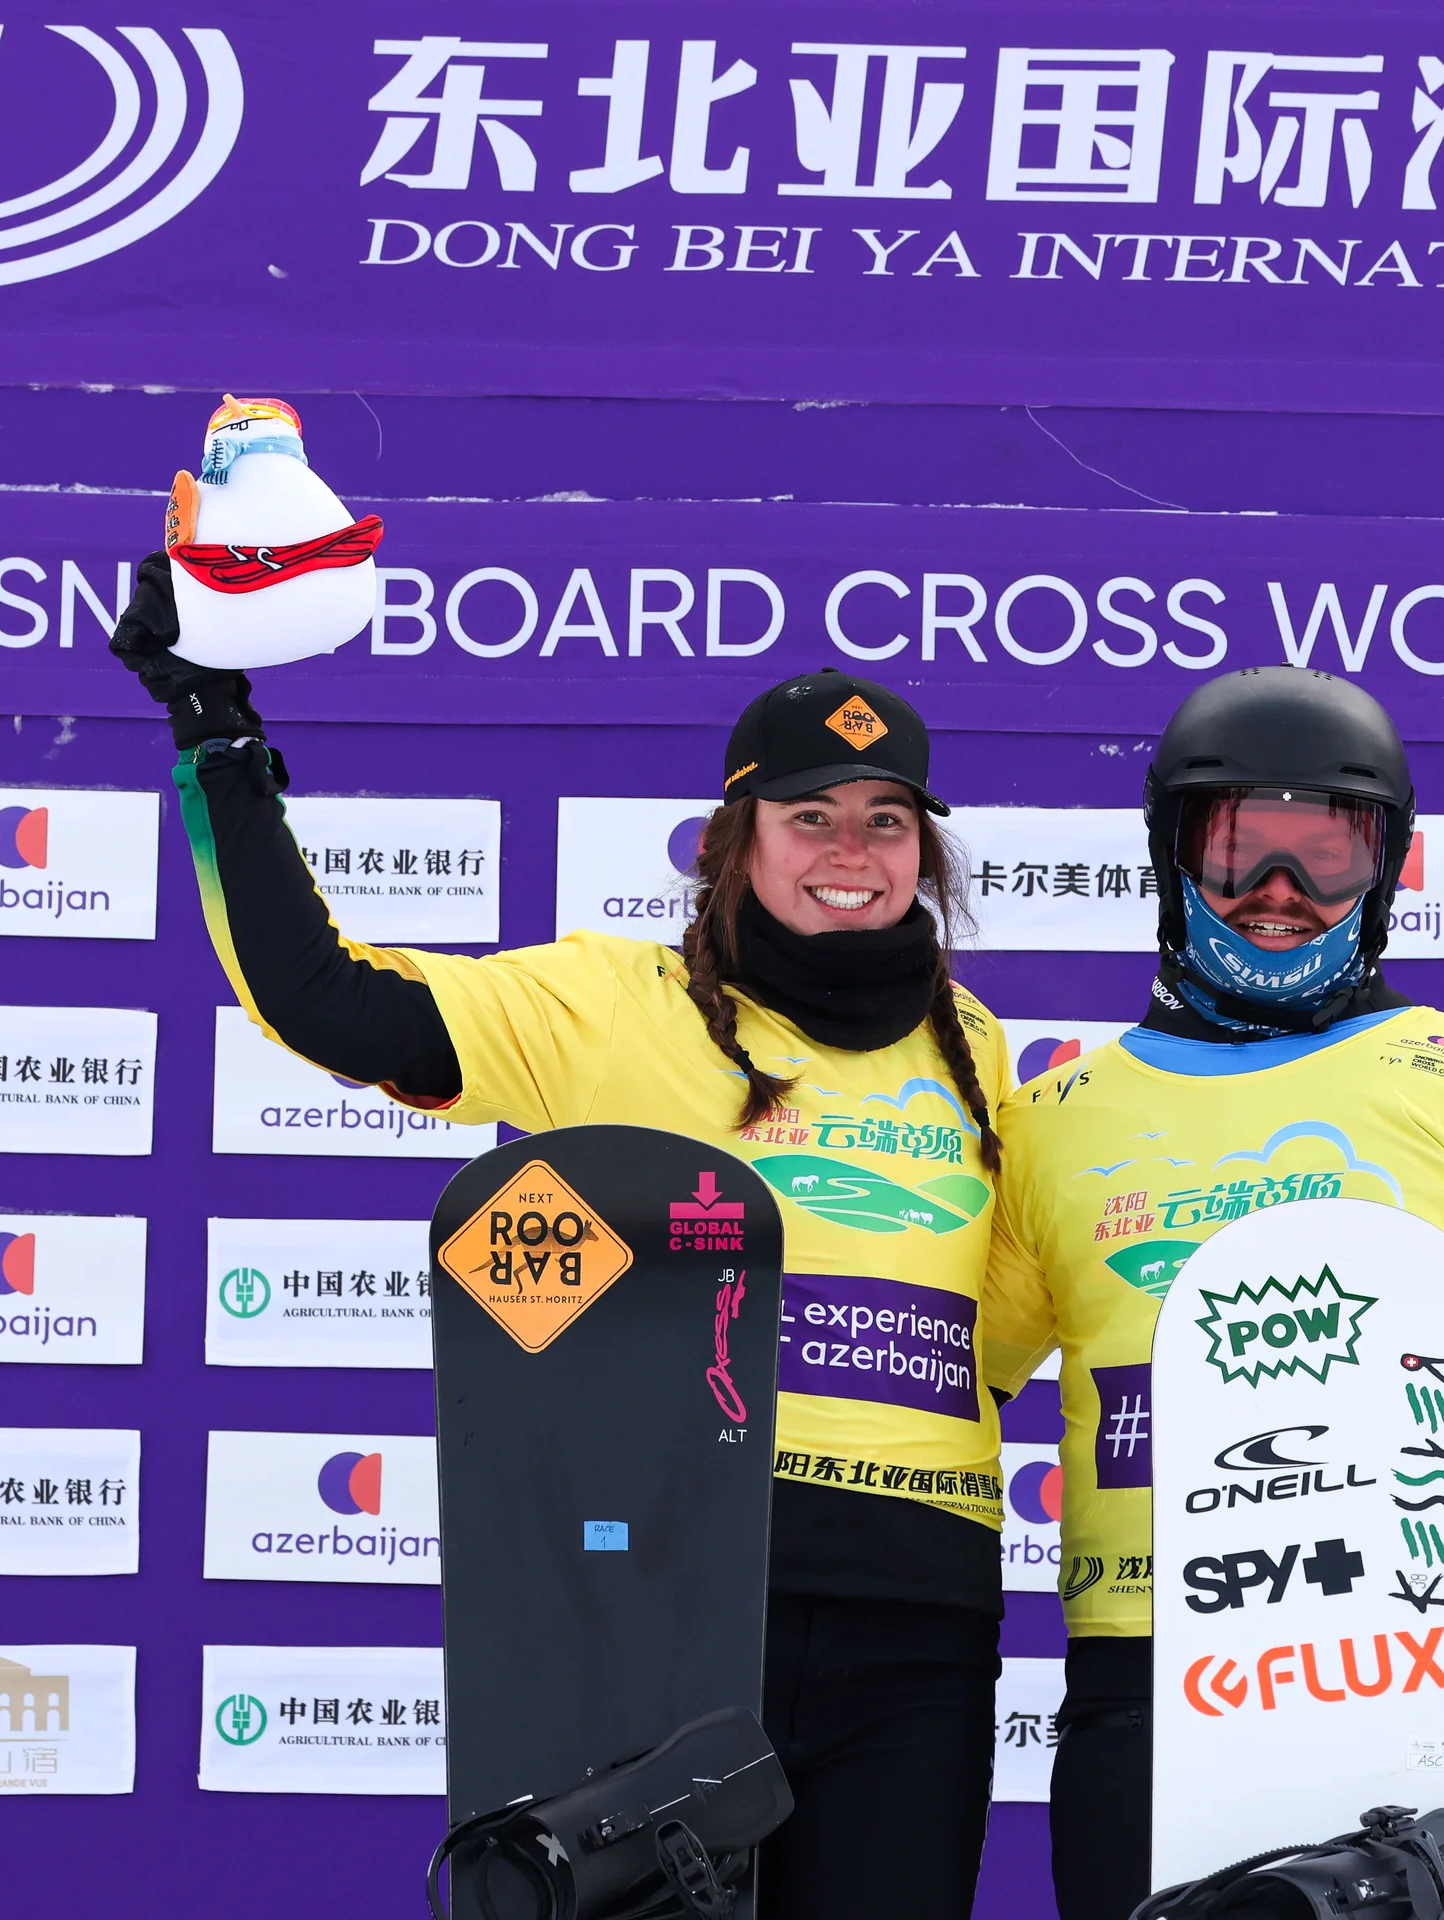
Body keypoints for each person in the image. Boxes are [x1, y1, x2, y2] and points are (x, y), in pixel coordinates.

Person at [111, 559, 1012, 1920]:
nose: (852, 851)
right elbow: (326, 998)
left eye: (887, 822)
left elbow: (997, 1329)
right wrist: (216, 737)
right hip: (681, 1598)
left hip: (917, 1619)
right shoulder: (611, 1004)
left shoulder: (977, 1048)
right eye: (810, 816)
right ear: (734, 840)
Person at [982, 667, 1444, 1918]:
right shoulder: (1054, 1119)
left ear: (1383, 868)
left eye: (1326, 856)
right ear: (1169, 854)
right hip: (1147, 1672)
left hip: (1402, 1668)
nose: (1279, 895)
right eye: (1237, 852)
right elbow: (947, 1390)